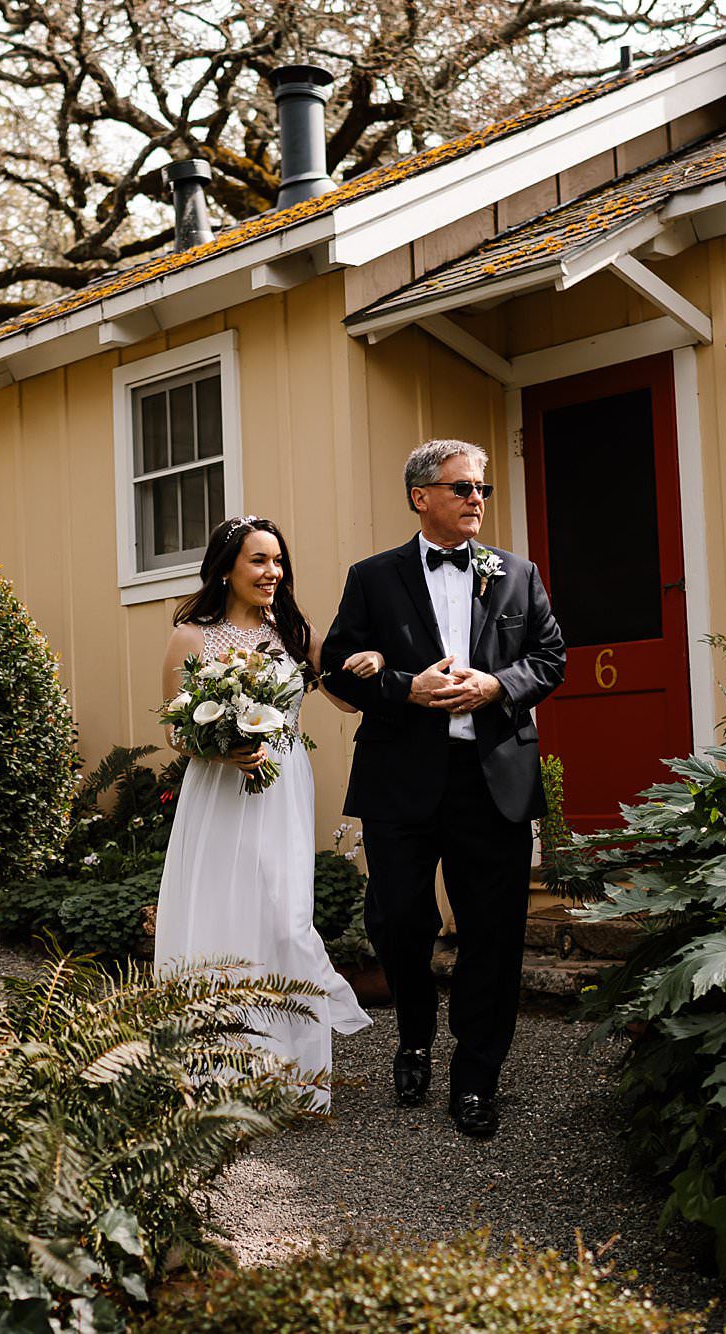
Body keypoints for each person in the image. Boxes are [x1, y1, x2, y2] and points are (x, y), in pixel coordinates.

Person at [318, 440, 566, 1139]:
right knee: (398, 922)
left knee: (494, 934)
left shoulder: (518, 575)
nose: (477, 500)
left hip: (494, 783)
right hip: (401, 780)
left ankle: (477, 1079)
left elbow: (551, 658)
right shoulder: (372, 577)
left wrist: (494, 685)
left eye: (481, 488)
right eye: (462, 489)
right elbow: (337, 669)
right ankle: (415, 1036)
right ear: (420, 497)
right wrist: (403, 686)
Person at [153, 516, 377, 1109]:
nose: (272, 572)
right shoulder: (192, 638)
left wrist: (369, 660)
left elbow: (346, 703)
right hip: (220, 794)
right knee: (221, 914)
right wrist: (223, 751)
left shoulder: (296, 634)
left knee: (284, 916)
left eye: (278, 561)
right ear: (227, 567)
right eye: (258, 560)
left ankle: (292, 1078)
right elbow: (175, 730)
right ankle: (213, 1076)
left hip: (282, 793)